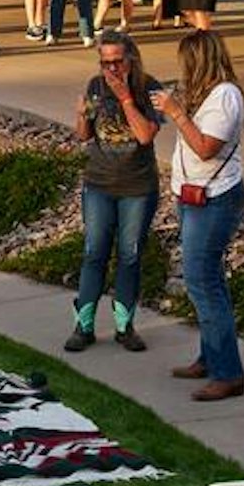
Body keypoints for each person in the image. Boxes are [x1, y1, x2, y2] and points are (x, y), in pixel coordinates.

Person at [166, 26, 244, 402]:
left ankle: (228, 373)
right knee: (207, 279)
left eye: (186, 64)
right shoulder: (206, 96)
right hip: (193, 196)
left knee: (203, 283)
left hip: (215, 199)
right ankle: (210, 355)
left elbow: (205, 148)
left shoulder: (225, 97)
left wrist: (175, 113)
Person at [68, 28, 164, 355]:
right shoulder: (95, 86)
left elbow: (146, 135)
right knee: (94, 252)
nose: (110, 70)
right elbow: (84, 136)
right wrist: (81, 116)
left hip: (137, 187)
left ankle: (125, 327)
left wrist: (124, 98)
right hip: (99, 183)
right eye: (104, 62)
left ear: (131, 59)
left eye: (117, 62)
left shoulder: (149, 87)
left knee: (129, 255)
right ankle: (84, 326)